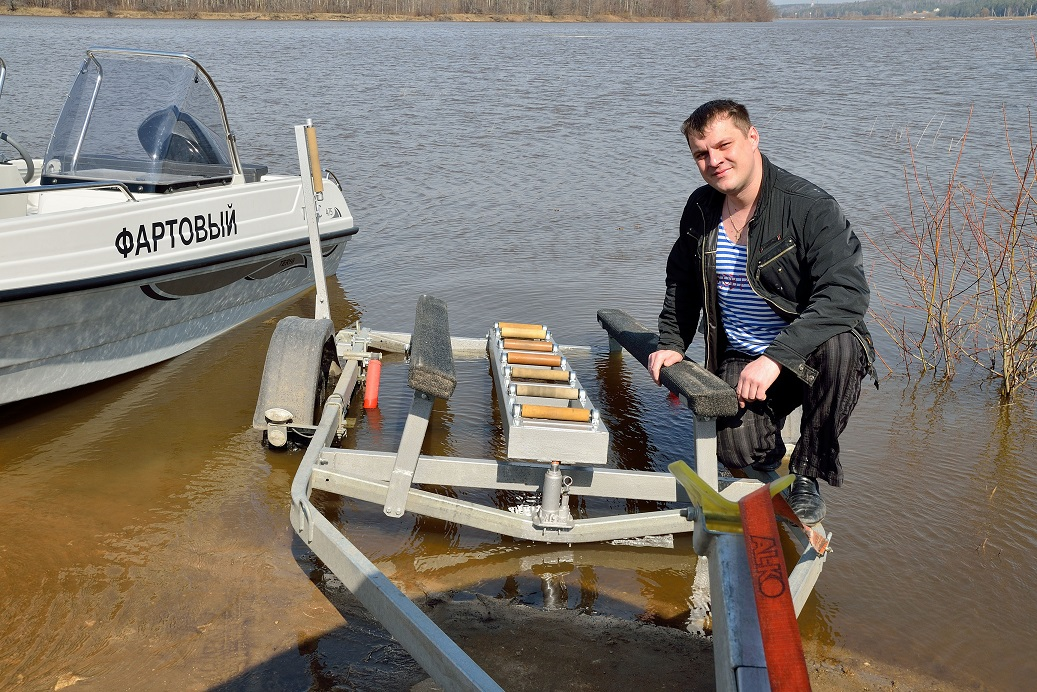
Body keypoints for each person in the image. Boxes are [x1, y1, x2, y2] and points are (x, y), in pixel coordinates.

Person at [648, 99, 875, 525]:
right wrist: (671, 344)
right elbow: (682, 281)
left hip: (807, 352)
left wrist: (776, 358)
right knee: (734, 448)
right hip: (742, 356)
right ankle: (769, 455)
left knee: (843, 345)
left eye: (724, 145)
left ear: (753, 138)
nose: (714, 161)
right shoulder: (700, 208)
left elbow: (846, 293)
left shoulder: (808, 207)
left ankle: (809, 471)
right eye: (701, 153)